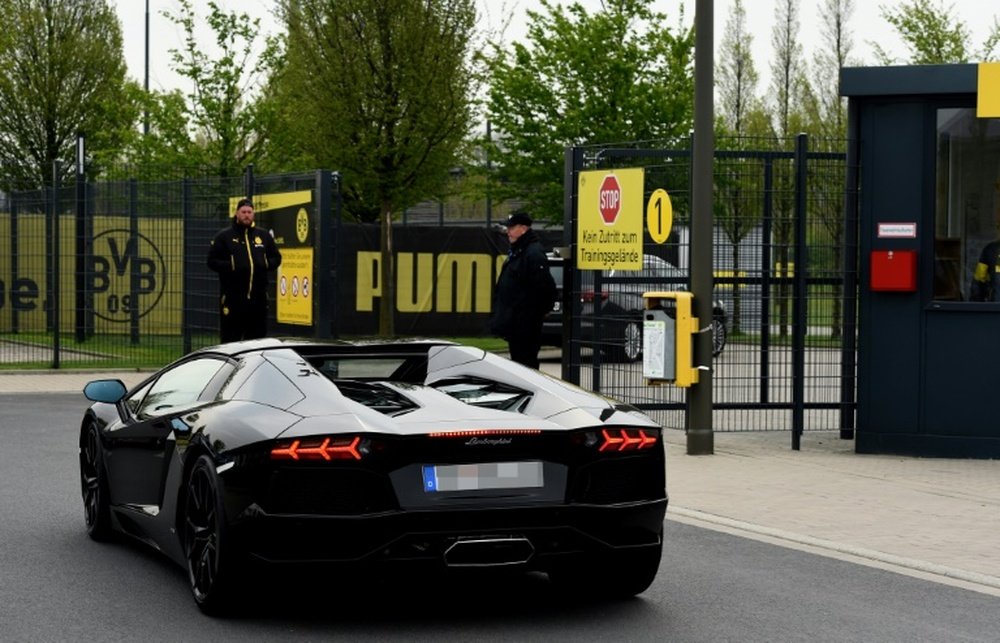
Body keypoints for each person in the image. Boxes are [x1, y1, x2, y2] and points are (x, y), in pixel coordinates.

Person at [207, 197, 282, 342]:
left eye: (249, 212)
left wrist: (264, 263)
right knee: (231, 339)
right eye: (243, 212)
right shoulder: (224, 237)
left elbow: (276, 258)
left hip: (258, 298)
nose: (246, 215)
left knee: (257, 340)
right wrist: (232, 265)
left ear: (253, 214)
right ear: (237, 214)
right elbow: (211, 261)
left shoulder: (263, 236)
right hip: (233, 298)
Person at [490, 210, 557, 368]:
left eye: (512, 228)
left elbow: (545, 286)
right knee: (518, 363)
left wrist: (538, 311)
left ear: (523, 228)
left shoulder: (532, 253)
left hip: (526, 322)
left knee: (526, 363)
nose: (508, 232)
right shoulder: (519, 250)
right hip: (516, 321)